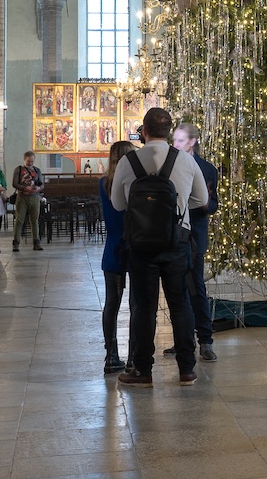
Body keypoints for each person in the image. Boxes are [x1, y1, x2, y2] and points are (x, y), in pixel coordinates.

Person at [111, 107, 208, 387]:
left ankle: (142, 371)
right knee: (181, 304)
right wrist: (176, 212)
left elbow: (118, 204)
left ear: (144, 130)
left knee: (144, 307)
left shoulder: (129, 162)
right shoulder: (186, 161)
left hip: (141, 244)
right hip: (177, 241)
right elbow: (201, 199)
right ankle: (187, 369)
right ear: (169, 131)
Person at [163, 122, 220, 363]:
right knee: (177, 286)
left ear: (192, 142)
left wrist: (205, 204)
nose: (174, 145)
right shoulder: (169, 164)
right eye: (174, 140)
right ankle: (182, 340)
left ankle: (205, 341)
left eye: (180, 141)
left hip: (195, 233)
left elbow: (213, 204)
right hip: (174, 232)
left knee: (195, 285)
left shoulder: (206, 169)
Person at [100, 139, 134, 375]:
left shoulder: (104, 182)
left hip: (112, 249)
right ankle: (133, 357)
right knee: (137, 304)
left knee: (112, 303)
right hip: (133, 247)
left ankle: (111, 356)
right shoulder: (132, 182)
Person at [12, 150, 45, 251]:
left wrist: (39, 189)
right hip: (22, 197)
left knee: (34, 221)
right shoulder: (18, 169)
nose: (30, 163)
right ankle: (16, 243)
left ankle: (36, 242)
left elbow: (42, 184)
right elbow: (14, 184)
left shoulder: (37, 170)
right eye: (28, 161)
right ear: (24, 160)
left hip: (34, 197)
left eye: (32, 161)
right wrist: (24, 188)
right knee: (19, 220)